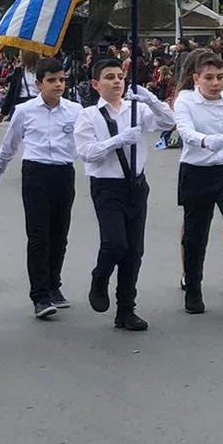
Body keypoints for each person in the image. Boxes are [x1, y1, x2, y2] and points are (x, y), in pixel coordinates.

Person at [72, 59, 169, 330]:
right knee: (115, 243)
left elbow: (167, 122)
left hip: (136, 186)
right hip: (107, 186)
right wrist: (118, 140)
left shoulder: (134, 108)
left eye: (119, 76)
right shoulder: (88, 115)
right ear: (95, 84)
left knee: (134, 251)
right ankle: (100, 278)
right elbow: (86, 152)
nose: (116, 81)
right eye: (109, 77)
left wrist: (149, 98)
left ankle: (126, 309)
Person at [0, 61, 83, 320]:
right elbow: (8, 147)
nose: (58, 85)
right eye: (52, 80)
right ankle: (39, 295)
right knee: (39, 236)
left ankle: (54, 285)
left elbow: (88, 142)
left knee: (59, 234)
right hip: (36, 173)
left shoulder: (75, 111)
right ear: (39, 84)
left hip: (63, 173)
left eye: (62, 80)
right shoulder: (25, 111)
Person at [173, 51, 223, 313]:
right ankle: (194, 288)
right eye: (209, 77)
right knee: (196, 233)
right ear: (196, 78)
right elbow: (184, 131)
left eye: (220, 77)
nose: (215, 83)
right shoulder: (185, 100)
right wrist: (205, 141)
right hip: (196, 170)